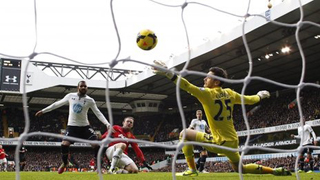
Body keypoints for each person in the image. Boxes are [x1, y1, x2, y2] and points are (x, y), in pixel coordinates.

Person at [152, 60, 291, 177]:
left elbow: (187, 85)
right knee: (240, 169)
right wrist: (260, 95)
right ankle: (275, 171)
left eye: (208, 77)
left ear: (217, 81)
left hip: (219, 141)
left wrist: (168, 73)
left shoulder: (207, 93)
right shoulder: (230, 93)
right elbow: (249, 100)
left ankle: (192, 170)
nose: (204, 79)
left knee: (184, 134)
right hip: (232, 141)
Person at [35, 80, 110, 174]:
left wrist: (107, 124)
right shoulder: (70, 96)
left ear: (87, 88)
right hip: (72, 127)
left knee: (96, 145)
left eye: (85, 86)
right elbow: (57, 104)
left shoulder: (90, 100)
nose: (83, 88)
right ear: (78, 87)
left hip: (85, 127)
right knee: (64, 145)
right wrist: (44, 110)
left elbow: (98, 113)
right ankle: (65, 163)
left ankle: (98, 167)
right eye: (81, 86)